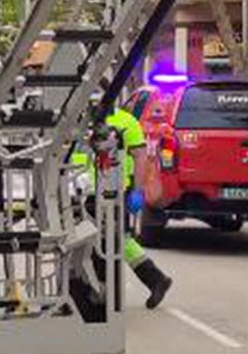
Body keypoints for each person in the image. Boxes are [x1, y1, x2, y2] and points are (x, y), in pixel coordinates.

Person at [72, 99, 173, 310]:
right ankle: (155, 279)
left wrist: (137, 190)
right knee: (112, 240)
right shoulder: (80, 121)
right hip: (83, 191)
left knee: (112, 240)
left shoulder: (126, 122)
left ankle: (104, 292)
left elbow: (140, 157)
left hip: (113, 191)